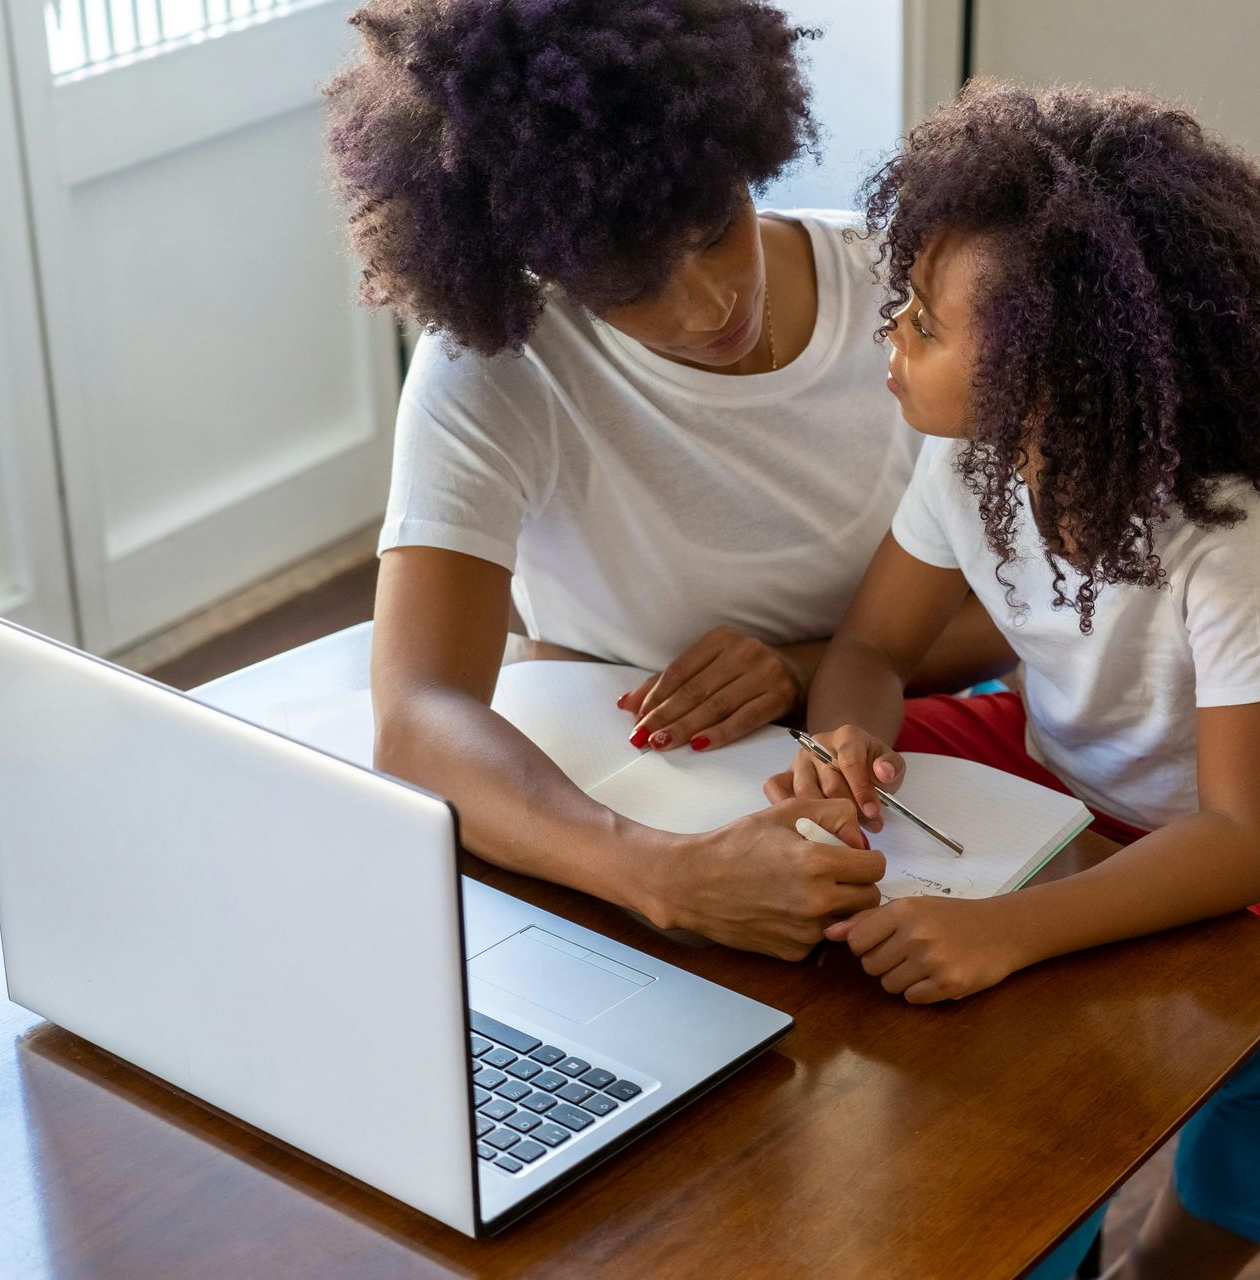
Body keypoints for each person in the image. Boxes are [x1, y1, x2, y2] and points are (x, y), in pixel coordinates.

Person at [764, 82, 1260, 1277]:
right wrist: (841, 746)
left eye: (921, 319)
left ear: (1045, 370)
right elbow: (870, 652)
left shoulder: (1241, 522)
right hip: (1052, 753)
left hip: (1216, 842)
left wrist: (1008, 931)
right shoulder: (969, 454)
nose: (890, 339)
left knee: (1057, 1077)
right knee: (777, 794)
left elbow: (1241, 836)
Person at [323, 0, 1017, 959]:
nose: (706, 307)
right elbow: (419, 715)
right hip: (615, 811)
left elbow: (1027, 617)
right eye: (630, 285)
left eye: (715, 230)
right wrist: (656, 875)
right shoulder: (498, 369)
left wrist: (797, 672)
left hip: (893, 772)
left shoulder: (910, 307)